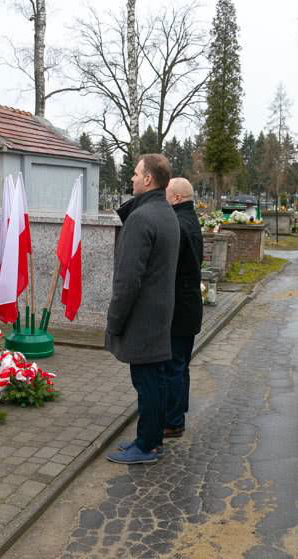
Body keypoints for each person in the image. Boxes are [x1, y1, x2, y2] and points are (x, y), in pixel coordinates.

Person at [106, 154, 179, 465]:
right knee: (156, 380)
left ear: (148, 179)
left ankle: (147, 445)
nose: (132, 179)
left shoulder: (141, 218)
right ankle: (148, 440)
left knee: (147, 382)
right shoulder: (166, 212)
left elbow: (127, 280)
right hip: (160, 312)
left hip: (143, 316)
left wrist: (115, 320)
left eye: (136, 174)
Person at [163, 177, 203, 439]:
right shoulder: (189, 219)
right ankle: (180, 410)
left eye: (166, 194)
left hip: (179, 308)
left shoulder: (177, 224)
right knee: (181, 363)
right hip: (188, 306)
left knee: (174, 365)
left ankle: (174, 421)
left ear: (177, 197)